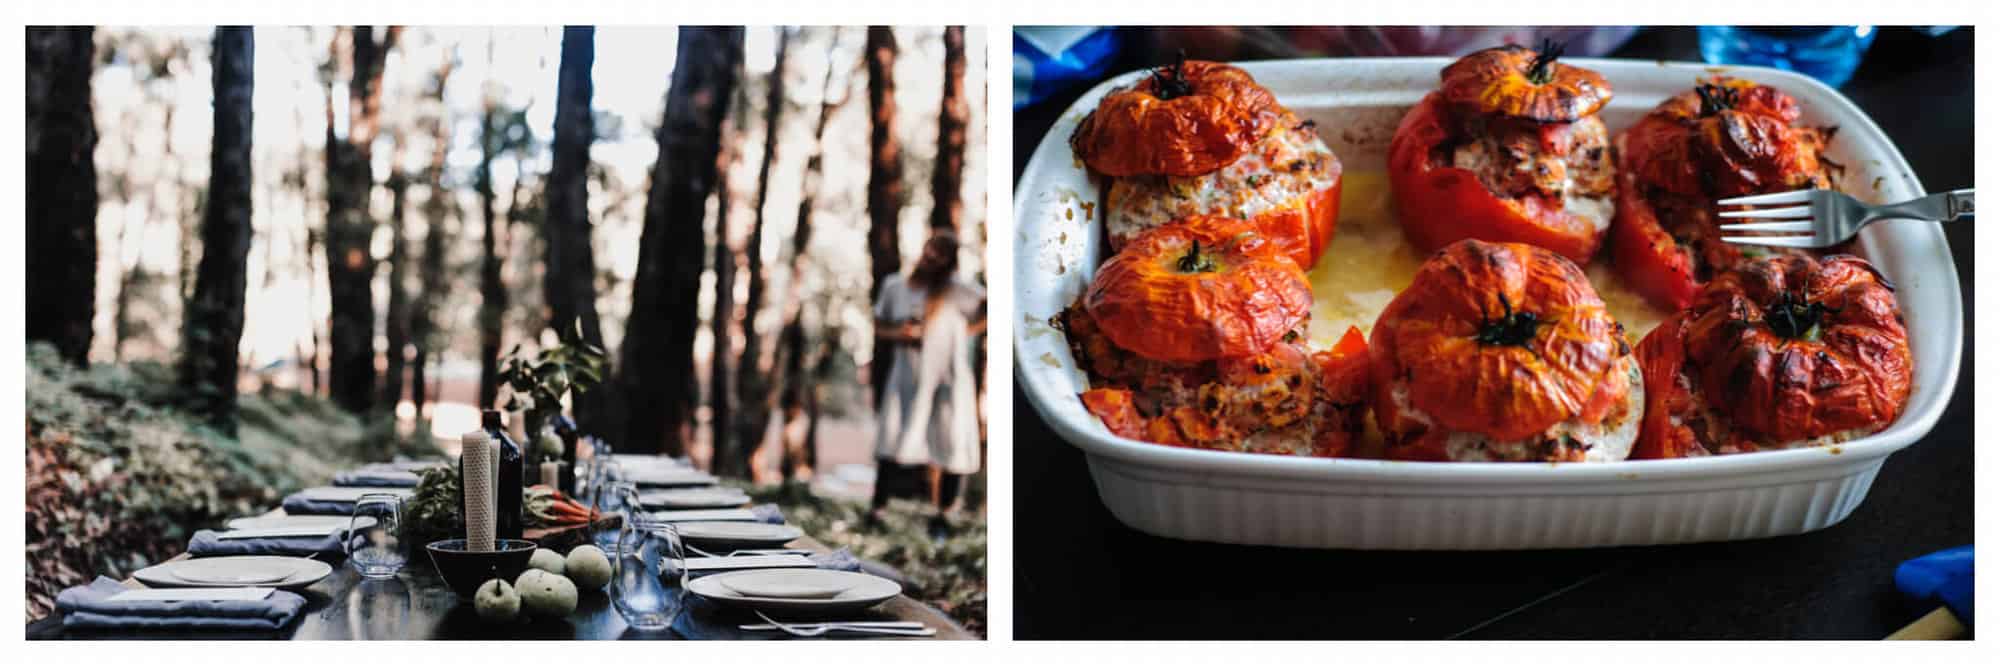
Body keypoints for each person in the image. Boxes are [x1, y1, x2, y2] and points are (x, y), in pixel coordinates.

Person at [871, 231, 986, 531]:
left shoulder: (957, 289)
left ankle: (945, 514)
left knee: (951, 437)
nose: (932, 256)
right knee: (893, 433)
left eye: (941, 253)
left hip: (948, 374)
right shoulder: (895, 286)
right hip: (907, 372)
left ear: (949, 261)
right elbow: (879, 324)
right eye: (931, 248)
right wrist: (901, 334)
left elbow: (990, 308)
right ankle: (878, 509)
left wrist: (965, 332)